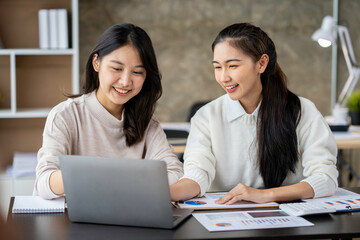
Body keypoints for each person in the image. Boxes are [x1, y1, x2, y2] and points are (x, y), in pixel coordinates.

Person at [170, 23, 338, 204]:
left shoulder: (302, 111)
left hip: (288, 220)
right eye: (217, 67)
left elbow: (325, 178)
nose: (223, 78)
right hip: (225, 220)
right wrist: (163, 194)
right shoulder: (206, 117)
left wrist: (266, 195)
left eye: (232, 66)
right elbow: (197, 174)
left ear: (262, 63)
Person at [34, 23, 183, 200]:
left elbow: (176, 174)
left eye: (137, 72)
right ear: (96, 63)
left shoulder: (147, 122)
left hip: (127, 217)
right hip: (76, 220)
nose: (125, 81)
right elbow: (43, 183)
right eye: (117, 69)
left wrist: (114, 178)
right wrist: (90, 172)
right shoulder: (65, 115)